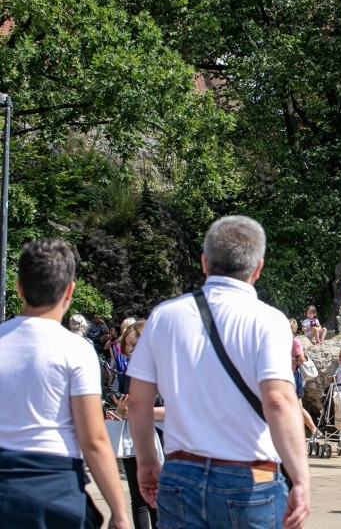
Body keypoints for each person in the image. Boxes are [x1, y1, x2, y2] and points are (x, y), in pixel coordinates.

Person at [126, 215, 310, 529]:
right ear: (258, 268)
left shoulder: (164, 316)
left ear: (204, 263)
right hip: (251, 475)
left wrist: (146, 462)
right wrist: (301, 477)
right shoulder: (268, 320)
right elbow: (278, 402)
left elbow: (137, 402)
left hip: (181, 471)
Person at [0, 238, 130, 529]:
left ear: (19, 287)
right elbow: (93, 439)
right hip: (55, 488)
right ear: (70, 290)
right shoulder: (76, 350)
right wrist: (119, 511)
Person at [115, 319, 165, 529]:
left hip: (160, 442)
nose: (132, 349)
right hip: (133, 440)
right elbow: (126, 409)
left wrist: (139, 412)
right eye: (129, 345)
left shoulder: (164, 373)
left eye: (137, 344)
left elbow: (170, 411)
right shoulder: (128, 374)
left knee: (157, 500)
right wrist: (121, 411)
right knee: (138, 499)